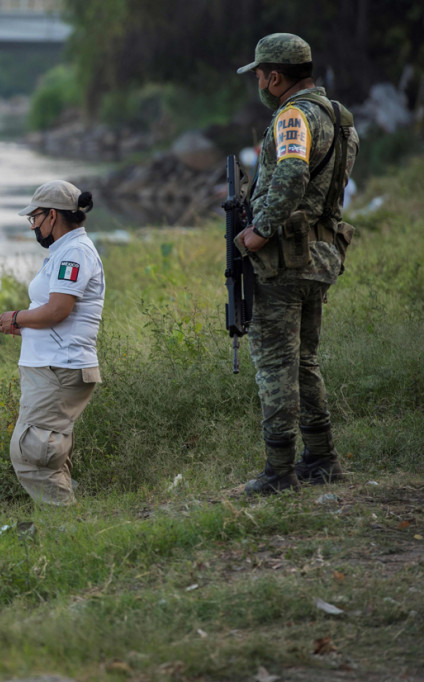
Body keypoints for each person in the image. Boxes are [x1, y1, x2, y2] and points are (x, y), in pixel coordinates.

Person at [234, 33, 359, 494]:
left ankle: (280, 471)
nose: (260, 85)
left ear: (274, 76)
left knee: (275, 364)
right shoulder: (340, 118)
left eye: (261, 76)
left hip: (285, 259)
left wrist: (259, 230)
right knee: (304, 361)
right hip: (322, 255)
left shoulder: (293, 116)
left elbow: (291, 174)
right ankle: (322, 458)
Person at [0, 181, 105, 505]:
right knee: (48, 456)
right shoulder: (64, 252)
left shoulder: (75, 252)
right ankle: (70, 532)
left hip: (59, 368)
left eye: (34, 218)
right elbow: (53, 318)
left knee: (32, 455)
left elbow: (57, 311)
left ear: (52, 215)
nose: (33, 225)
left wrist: (15, 316)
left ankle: (64, 534)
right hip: (52, 367)